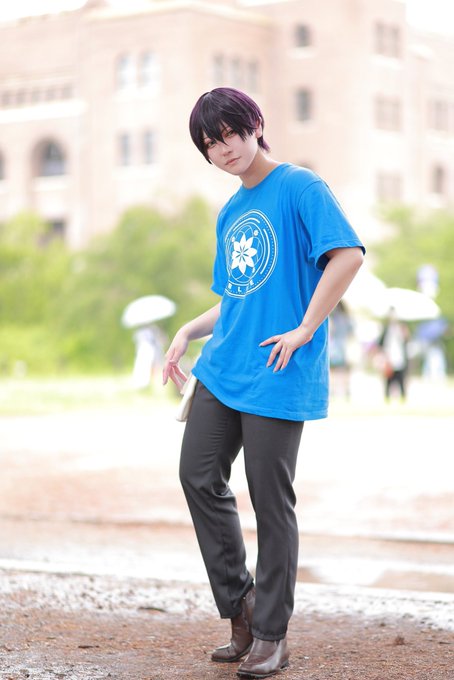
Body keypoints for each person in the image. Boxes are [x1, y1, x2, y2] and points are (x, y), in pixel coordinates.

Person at [162, 87, 364, 678]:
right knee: (198, 475)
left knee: (271, 501)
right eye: (211, 143)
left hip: (278, 367)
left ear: (255, 125)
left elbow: (347, 256)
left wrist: (305, 327)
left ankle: (272, 636)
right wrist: (186, 331)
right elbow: (237, 297)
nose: (224, 148)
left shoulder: (301, 187)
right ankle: (242, 611)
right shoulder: (231, 212)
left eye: (230, 133)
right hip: (223, 368)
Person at [378, 308, 410, 401]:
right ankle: (387, 397)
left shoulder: (401, 328)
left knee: (401, 379)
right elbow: (381, 343)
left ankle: (403, 397)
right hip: (389, 358)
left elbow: (406, 340)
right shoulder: (386, 329)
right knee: (389, 380)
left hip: (399, 357)